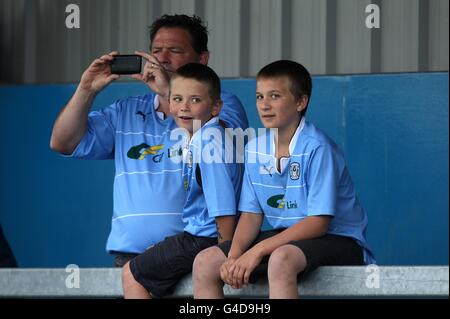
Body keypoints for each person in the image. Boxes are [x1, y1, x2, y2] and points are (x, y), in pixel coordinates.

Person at [49, 15, 248, 267]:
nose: (162, 58)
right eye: (156, 51)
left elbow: (215, 140)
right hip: (132, 258)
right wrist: (86, 89)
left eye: (175, 50)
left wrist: (171, 93)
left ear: (202, 59)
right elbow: (62, 142)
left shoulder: (221, 103)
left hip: (198, 254)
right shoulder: (125, 111)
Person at [192, 60, 375, 299]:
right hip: (286, 237)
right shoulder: (254, 149)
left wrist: (257, 251)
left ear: (301, 101)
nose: (264, 105)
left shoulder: (317, 148)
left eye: (275, 96)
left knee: (280, 260)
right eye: (259, 97)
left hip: (339, 239)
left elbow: (318, 223)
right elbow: (251, 215)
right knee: (205, 261)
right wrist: (234, 255)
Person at [121, 63, 243, 298]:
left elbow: (223, 207)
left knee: (132, 272)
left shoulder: (208, 141)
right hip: (198, 237)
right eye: (176, 99)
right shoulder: (205, 136)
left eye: (195, 100)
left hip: (205, 239)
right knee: (150, 258)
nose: (184, 108)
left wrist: (225, 253)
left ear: (216, 106)